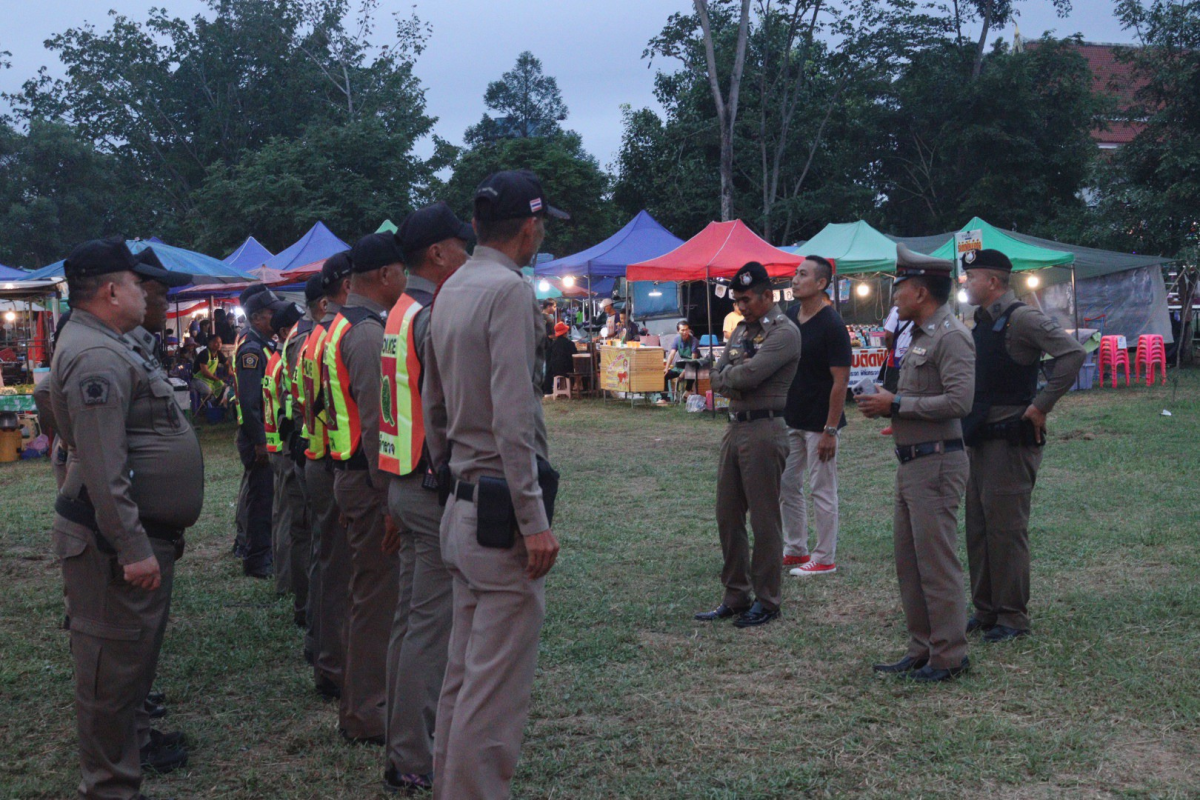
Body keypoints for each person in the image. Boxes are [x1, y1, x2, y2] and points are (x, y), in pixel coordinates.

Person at [423, 169, 564, 799]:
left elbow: (432, 407)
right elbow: (513, 415)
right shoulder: (507, 291)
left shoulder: (449, 290)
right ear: (530, 226)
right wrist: (533, 519)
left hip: (461, 503)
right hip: (498, 512)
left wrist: (449, 477)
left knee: (463, 679)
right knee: (494, 691)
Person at [47, 237, 204, 798]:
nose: (146, 293)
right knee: (109, 679)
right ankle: (111, 786)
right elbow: (103, 466)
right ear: (112, 290)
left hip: (128, 539)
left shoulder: (108, 344)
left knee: (126, 669)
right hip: (112, 548)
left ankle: (121, 770)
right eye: (138, 284)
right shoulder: (97, 356)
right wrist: (134, 546)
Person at [380, 201, 472, 794]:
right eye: (464, 248)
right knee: (428, 631)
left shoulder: (398, 313)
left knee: (409, 624)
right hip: (428, 482)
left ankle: (404, 744)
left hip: (402, 480)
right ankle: (414, 754)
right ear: (438, 253)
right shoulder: (429, 315)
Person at [857, 249, 975, 683]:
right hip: (913, 462)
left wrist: (899, 403)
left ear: (920, 291)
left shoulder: (951, 336)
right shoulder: (920, 335)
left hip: (938, 461)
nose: (894, 298)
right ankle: (922, 647)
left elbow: (960, 402)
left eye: (899, 289)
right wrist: (886, 407)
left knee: (936, 562)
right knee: (910, 562)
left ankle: (949, 656)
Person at [960, 248, 1086, 642]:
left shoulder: (1022, 318)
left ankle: (1012, 617)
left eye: (972, 277)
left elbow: (1073, 353)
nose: (966, 284)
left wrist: (1040, 406)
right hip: (980, 438)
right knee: (978, 528)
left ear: (993, 281)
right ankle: (986, 610)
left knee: (1006, 530)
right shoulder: (981, 322)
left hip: (1010, 442)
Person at [324, 233, 405, 744]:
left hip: (348, 473)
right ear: (383, 276)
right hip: (367, 480)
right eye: (401, 270)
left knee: (366, 595)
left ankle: (364, 701)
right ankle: (366, 710)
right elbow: (379, 424)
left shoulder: (340, 326)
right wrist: (391, 495)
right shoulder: (368, 334)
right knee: (377, 600)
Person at [694, 262, 801, 629]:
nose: (741, 306)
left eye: (747, 299)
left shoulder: (784, 332)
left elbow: (751, 374)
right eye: (737, 300)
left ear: (768, 296)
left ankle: (768, 599)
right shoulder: (741, 330)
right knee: (727, 514)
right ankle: (735, 595)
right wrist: (729, 379)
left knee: (765, 518)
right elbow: (715, 375)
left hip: (765, 428)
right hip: (735, 428)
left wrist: (728, 379)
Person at [781, 256, 852, 575]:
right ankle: (796, 549)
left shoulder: (832, 325)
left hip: (820, 421)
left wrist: (830, 430)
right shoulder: (792, 314)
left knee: (821, 488)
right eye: (795, 273)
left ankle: (824, 558)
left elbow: (841, 381)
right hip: (792, 416)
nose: (795, 280)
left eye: (803, 275)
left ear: (821, 284)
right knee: (786, 483)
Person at [303, 255, 353, 700]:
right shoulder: (337, 335)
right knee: (337, 571)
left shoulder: (316, 337)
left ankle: (322, 648)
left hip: (320, 455)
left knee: (327, 563)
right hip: (332, 458)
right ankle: (332, 663)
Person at [233, 283, 289, 578]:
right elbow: (250, 400)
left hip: (266, 435)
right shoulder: (252, 350)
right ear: (256, 318)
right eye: (270, 314)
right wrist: (259, 442)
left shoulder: (264, 345)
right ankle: (257, 559)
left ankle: (262, 553)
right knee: (261, 499)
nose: (275, 319)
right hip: (257, 438)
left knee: (266, 497)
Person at [265, 302, 309, 623]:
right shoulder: (283, 362)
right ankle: (287, 582)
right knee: (291, 519)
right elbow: (291, 404)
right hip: (284, 445)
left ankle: (286, 579)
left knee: (283, 513)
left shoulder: (275, 360)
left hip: (276, 443)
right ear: (284, 332)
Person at [664, 320, 703, 394]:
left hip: (693, 365)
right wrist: (666, 368)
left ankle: (687, 392)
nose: (685, 332)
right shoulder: (676, 340)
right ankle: (665, 398)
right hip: (682, 365)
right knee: (664, 375)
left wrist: (683, 373)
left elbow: (693, 360)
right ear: (678, 331)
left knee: (690, 373)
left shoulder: (694, 341)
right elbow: (671, 355)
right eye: (682, 330)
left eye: (687, 330)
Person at [542, 321, 576, 395]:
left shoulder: (552, 344)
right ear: (565, 333)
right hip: (567, 370)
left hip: (554, 370)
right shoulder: (570, 344)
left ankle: (549, 390)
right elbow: (574, 357)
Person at [192, 334, 227, 403]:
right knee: (208, 392)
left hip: (209, 380)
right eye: (216, 342)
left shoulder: (218, 354)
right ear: (210, 343)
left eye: (220, 342)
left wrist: (229, 371)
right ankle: (205, 409)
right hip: (198, 380)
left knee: (224, 387)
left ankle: (216, 406)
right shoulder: (204, 353)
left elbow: (227, 363)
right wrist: (217, 379)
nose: (219, 344)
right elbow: (205, 372)